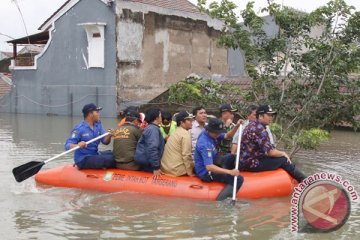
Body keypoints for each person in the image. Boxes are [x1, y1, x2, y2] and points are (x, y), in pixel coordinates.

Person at [239, 105, 306, 182]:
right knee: (283, 160)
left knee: (278, 158)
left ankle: (301, 179)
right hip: (252, 164)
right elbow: (270, 152)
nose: (271, 117)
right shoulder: (259, 129)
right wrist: (283, 153)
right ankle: (305, 180)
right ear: (260, 116)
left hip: (247, 161)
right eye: (268, 115)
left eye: (271, 115)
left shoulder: (251, 125)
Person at [194, 118, 244, 201]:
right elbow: (209, 167)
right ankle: (221, 202)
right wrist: (230, 172)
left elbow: (227, 136)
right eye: (216, 132)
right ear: (210, 130)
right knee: (239, 179)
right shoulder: (205, 144)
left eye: (219, 132)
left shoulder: (211, 134)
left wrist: (237, 126)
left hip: (214, 160)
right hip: (206, 172)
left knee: (233, 157)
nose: (218, 134)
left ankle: (225, 172)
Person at [64, 103, 115, 169]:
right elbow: (67, 145)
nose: (99, 114)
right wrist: (77, 145)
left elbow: (105, 142)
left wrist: (109, 135)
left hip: (94, 154)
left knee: (115, 155)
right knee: (109, 160)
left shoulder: (98, 124)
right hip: (83, 158)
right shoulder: (79, 128)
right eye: (97, 112)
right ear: (90, 114)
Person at [161, 111, 195, 177]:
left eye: (191, 120)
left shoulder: (175, 132)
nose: (191, 122)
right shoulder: (185, 134)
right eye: (189, 120)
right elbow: (186, 155)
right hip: (176, 170)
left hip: (165, 168)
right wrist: (190, 172)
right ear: (182, 122)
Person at [134, 108, 165, 178]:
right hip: (148, 163)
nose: (161, 117)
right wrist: (156, 167)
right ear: (156, 118)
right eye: (160, 116)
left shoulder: (150, 128)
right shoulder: (153, 129)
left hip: (147, 161)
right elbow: (152, 148)